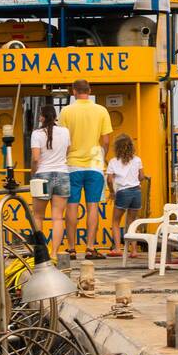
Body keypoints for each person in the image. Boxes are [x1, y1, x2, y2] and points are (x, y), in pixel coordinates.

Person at [59, 79, 112, 260]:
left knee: (71, 206)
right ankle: (90, 248)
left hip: (72, 165)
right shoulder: (101, 110)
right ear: (90, 90)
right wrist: (101, 156)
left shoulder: (66, 111)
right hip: (95, 166)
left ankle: (72, 248)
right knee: (93, 207)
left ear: (73, 91)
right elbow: (105, 141)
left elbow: (63, 141)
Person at [29, 104, 70, 263]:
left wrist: (33, 173)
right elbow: (67, 150)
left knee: (38, 216)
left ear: (43, 117)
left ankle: (41, 251)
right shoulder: (65, 131)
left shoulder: (37, 134)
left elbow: (35, 158)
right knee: (58, 218)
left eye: (40, 115)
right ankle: (54, 252)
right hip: (62, 173)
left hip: (43, 175)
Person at [106, 133, 144, 259]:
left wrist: (112, 192)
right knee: (132, 222)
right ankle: (133, 251)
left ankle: (117, 248)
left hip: (123, 192)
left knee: (116, 221)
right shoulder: (137, 160)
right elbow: (142, 177)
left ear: (117, 147)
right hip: (136, 192)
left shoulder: (113, 161)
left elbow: (110, 180)